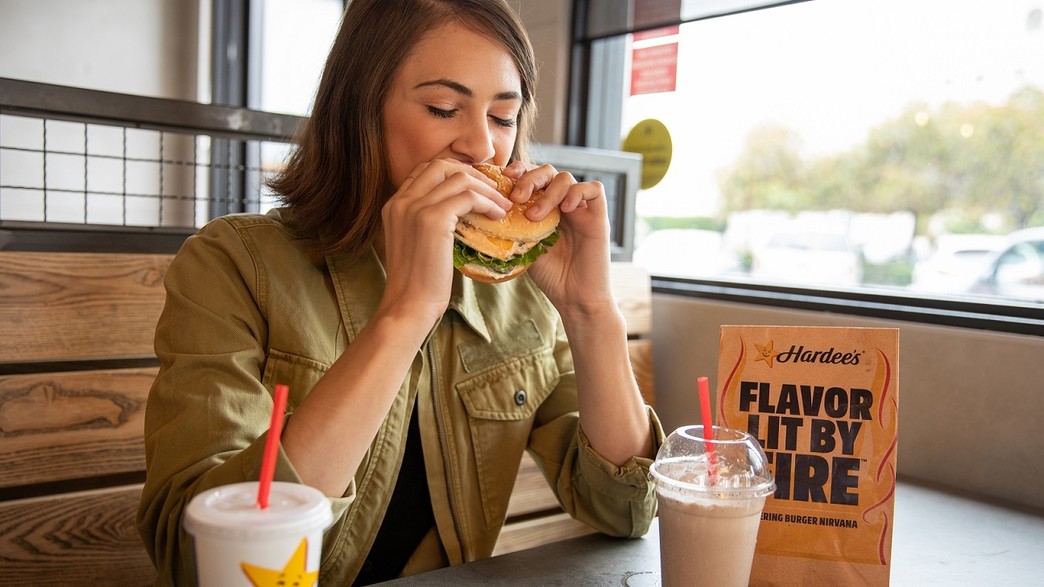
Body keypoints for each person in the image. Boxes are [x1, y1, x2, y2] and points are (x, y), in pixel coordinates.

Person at [136, 0, 663, 584]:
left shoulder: (521, 292)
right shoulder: (233, 263)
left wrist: (590, 310)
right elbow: (195, 560)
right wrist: (406, 313)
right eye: (443, 108)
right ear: (361, 110)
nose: (484, 148)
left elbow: (626, 509)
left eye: (504, 118)